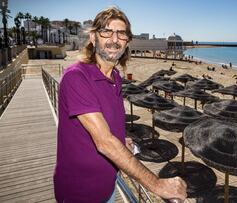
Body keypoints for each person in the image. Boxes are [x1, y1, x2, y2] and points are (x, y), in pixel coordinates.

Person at [54, 7, 187, 203]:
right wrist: (157, 184)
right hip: (80, 193)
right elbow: (105, 142)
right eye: (106, 31)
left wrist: (121, 139)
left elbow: (105, 126)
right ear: (93, 37)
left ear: (127, 42)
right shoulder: (76, 77)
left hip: (108, 186)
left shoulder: (115, 77)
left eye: (121, 34)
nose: (114, 40)